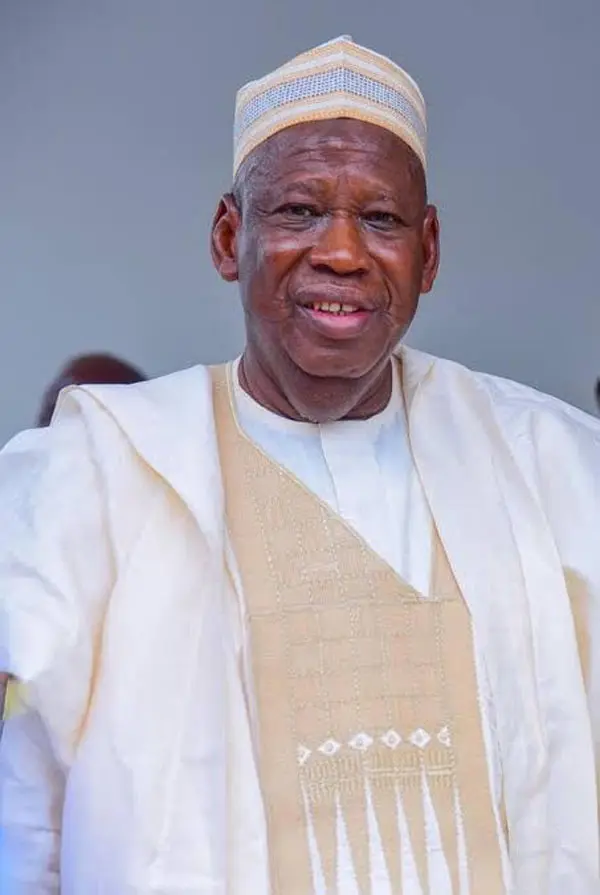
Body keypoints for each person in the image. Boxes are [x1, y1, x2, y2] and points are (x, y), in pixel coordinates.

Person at [0, 35, 599, 895]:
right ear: (228, 236)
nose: (343, 252)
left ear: (429, 252)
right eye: (299, 211)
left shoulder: (552, 466)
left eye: (381, 219)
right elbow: (27, 804)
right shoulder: (103, 469)